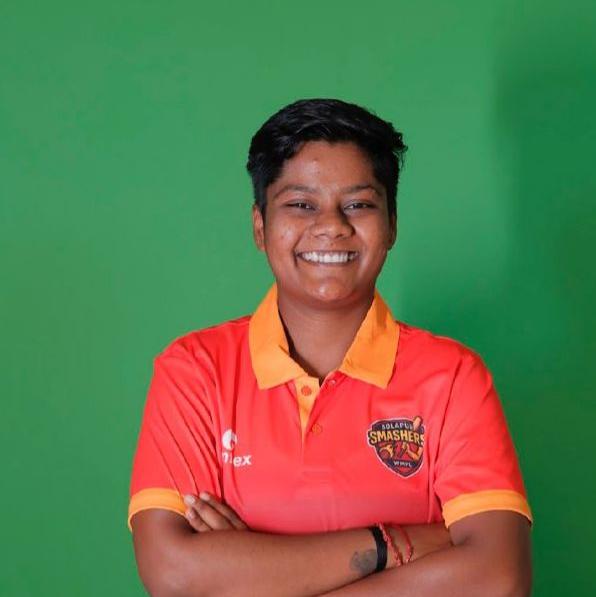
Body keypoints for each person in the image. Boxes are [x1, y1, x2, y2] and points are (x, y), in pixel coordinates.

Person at [127, 98, 532, 596]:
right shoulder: (195, 370)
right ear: (260, 226)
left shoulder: (452, 377)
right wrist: (392, 546)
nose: (332, 225)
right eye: (301, 205)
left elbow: (497, 577)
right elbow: (174, 573)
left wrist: (250, 575)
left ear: (392, 224)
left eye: (358, 204)